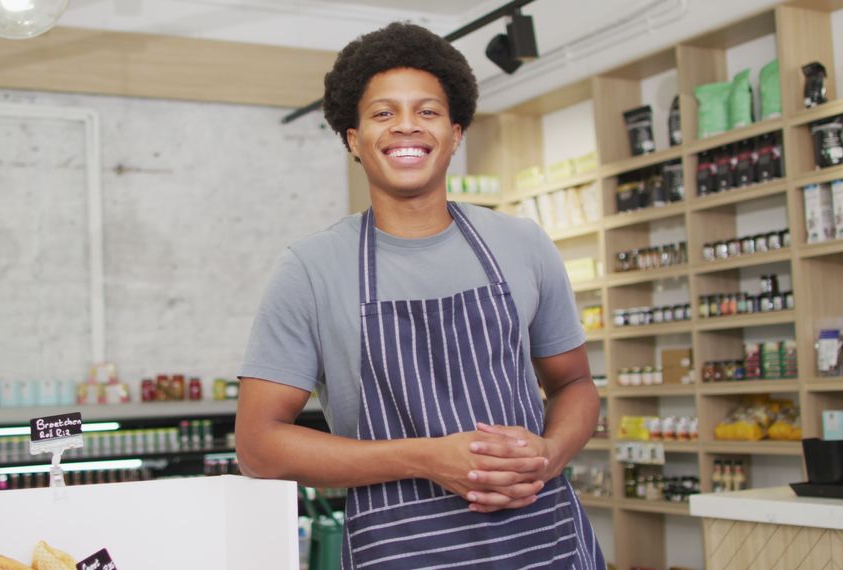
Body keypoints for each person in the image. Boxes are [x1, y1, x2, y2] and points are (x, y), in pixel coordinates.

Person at [236, 22, 606, 569]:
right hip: (401, 550)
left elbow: (574, 382)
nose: (406, 126)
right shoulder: (310, 270)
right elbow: (258, 446)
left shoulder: (522, 243)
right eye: (383, 113)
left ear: (456, 134)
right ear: (352, 138)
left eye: (427, 112)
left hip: (542, 540)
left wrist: (548, 456)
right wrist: (428, 458)